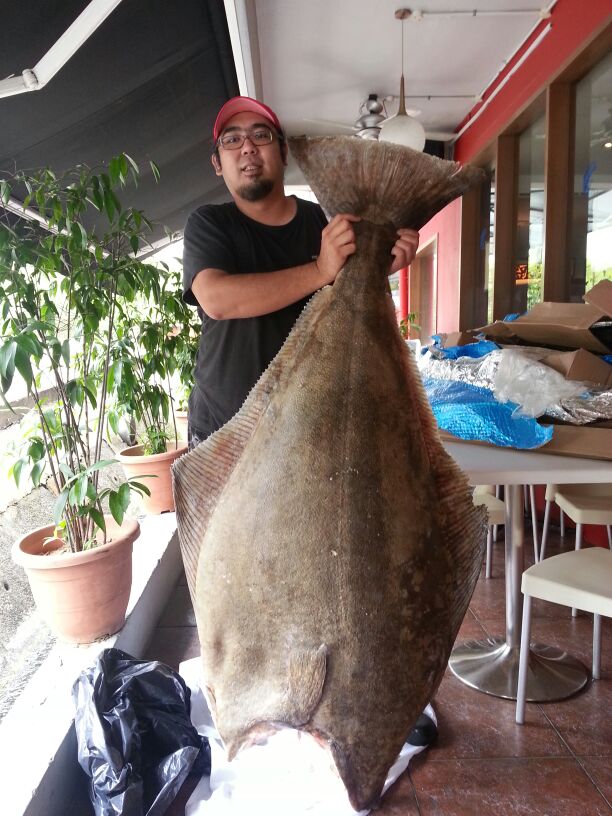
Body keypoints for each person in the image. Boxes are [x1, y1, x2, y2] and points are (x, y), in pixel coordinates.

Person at [182, 95, 420, 448]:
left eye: (260, 136)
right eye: (232, 139)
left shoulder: (325, 224)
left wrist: (382, 267)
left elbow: (351, 314)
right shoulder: (208, 224)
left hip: (306, 435)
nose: (247, 148)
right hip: (223, 433)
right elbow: (217, 299)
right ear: (218, 163)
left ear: (283, 153)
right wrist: (320, 269)